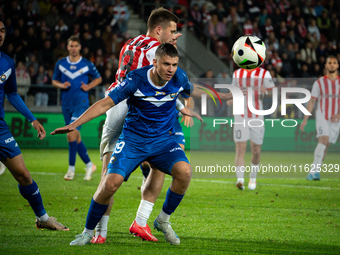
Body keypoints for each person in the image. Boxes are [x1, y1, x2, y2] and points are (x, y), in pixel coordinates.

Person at [51, 43, 203, 246]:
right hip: (134, 140)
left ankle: (162, 220)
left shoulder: (179, 77)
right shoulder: (136, 79)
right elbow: (105, 103)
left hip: (162, 140)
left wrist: (226, 94)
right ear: (155, 62)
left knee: (185, 172)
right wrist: (74, 124)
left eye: (174, 64)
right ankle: (87, 232)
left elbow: (189, 90)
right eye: (166, 64)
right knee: (110, 183)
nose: (171, 69)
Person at [93, 7, 185, 244]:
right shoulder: (159, 53)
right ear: (158, 30)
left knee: (108, 174)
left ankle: (100, 233)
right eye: (173, 31)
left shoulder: (131, 43)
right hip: (138, 105)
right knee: (160, 162)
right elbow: (162, 85)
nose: (176, 36)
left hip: (115, 103)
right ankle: (142, 222)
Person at [0, 20, 68, 231]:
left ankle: (43, 218)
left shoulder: (7, 63)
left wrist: (32, 118)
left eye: (2, 30)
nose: (0, 34)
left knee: (23, 174)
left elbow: (11, 93)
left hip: (0, 129)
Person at [52, 35, 102, 181]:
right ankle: (89, 165)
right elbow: (54, 80)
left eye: (76, 46)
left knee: (70, 133)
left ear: (80, 47)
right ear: (67, 47)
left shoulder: (86, 64)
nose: (73, 48)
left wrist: (89, 86)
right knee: (75, 136)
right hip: (66, 104)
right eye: (71, 46)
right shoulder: (61, 63)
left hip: (81, 103)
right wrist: (62, 85)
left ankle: (71, 169)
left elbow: (98, 78)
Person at [229, 67, 275, 190]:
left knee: (256, 151)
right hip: (240, 116)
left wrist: (265, 91)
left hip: (257, 116)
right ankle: (240, 180)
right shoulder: (237, 73)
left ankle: (253, 178)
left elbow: (274, 91)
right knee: (240, 148)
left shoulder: (264, 73)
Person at [300, 55, 340, 180]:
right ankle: (313, 172)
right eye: (330, 63)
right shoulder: (319, 83)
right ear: (326, 65)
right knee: (323, 140)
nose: (332, 65)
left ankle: (315, 172)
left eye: (334, 63)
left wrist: (338, 115)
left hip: (336, 118)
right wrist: (305, 119)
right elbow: (312, 101)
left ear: (337, 65)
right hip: (322, 115)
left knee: (326, 144)